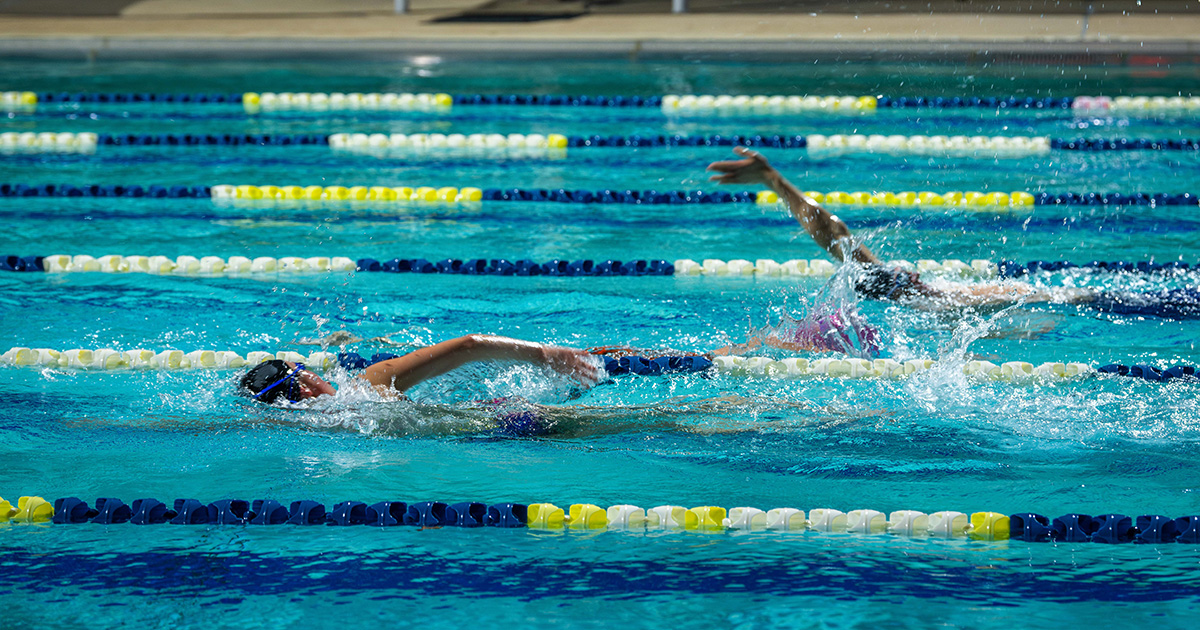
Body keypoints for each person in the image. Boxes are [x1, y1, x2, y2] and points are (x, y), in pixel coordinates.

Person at [239, 334, 602, 405]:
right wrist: (544, 354)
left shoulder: (308, 430)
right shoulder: (368, 385)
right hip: (505, 423)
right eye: (301, 369)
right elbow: (468, 345)